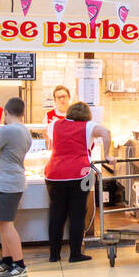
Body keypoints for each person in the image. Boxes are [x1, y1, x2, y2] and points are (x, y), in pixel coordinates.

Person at [44, 101, 111, 264]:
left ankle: (54, 255)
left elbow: (47, 137)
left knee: (56, 215)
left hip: (54, 174)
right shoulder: (88, 126)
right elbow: (106, 133)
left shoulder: (54, 124)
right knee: (77, 214)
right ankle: (75, 254)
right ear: (87, 115)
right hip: (79, 174)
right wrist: (108, 155)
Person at [0, 97, 32, 277]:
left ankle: (19, 264)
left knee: (6, 225)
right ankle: (6, 260)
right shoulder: (24, 131)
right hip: (14, 180)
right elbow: (8, 155)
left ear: (5, 112)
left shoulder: (7, 130)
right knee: (3, 223)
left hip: (7, 184)